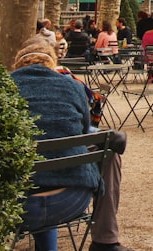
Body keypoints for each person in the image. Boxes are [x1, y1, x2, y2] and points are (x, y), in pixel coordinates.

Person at [10, 38, 134, 251]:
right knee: (108, 152)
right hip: (71, 200)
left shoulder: (2, 88)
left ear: (17, 64)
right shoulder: (72, 87)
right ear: (54, 63)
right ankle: (106, 241)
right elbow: (83, 131)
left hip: (16, 206)